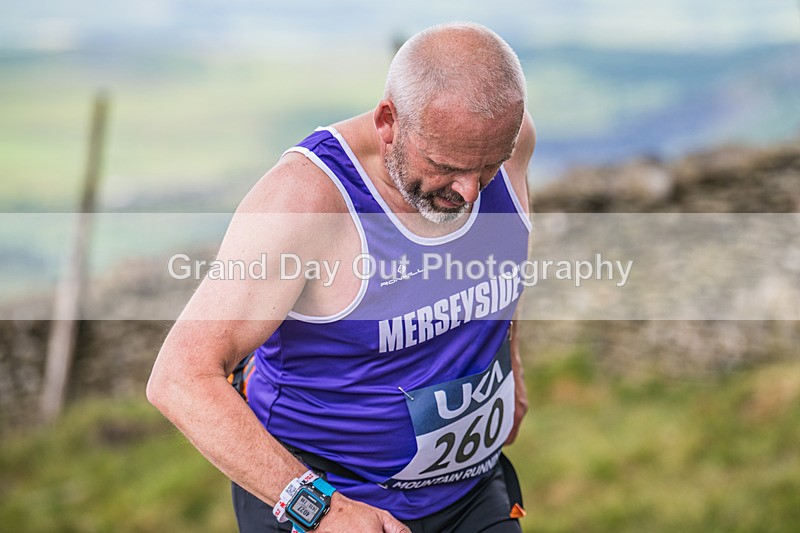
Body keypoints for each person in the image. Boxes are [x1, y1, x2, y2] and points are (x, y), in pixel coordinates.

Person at [147, 21, 535, 533]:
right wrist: (322, 510)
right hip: (331, 498)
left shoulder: (505, 144)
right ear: (388, 121)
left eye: (488, 167)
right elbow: (180, 378)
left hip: (470, 494)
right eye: (446, 166)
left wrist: (511, 364)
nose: (468, 192)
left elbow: (501, 265)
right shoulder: (305, 203)